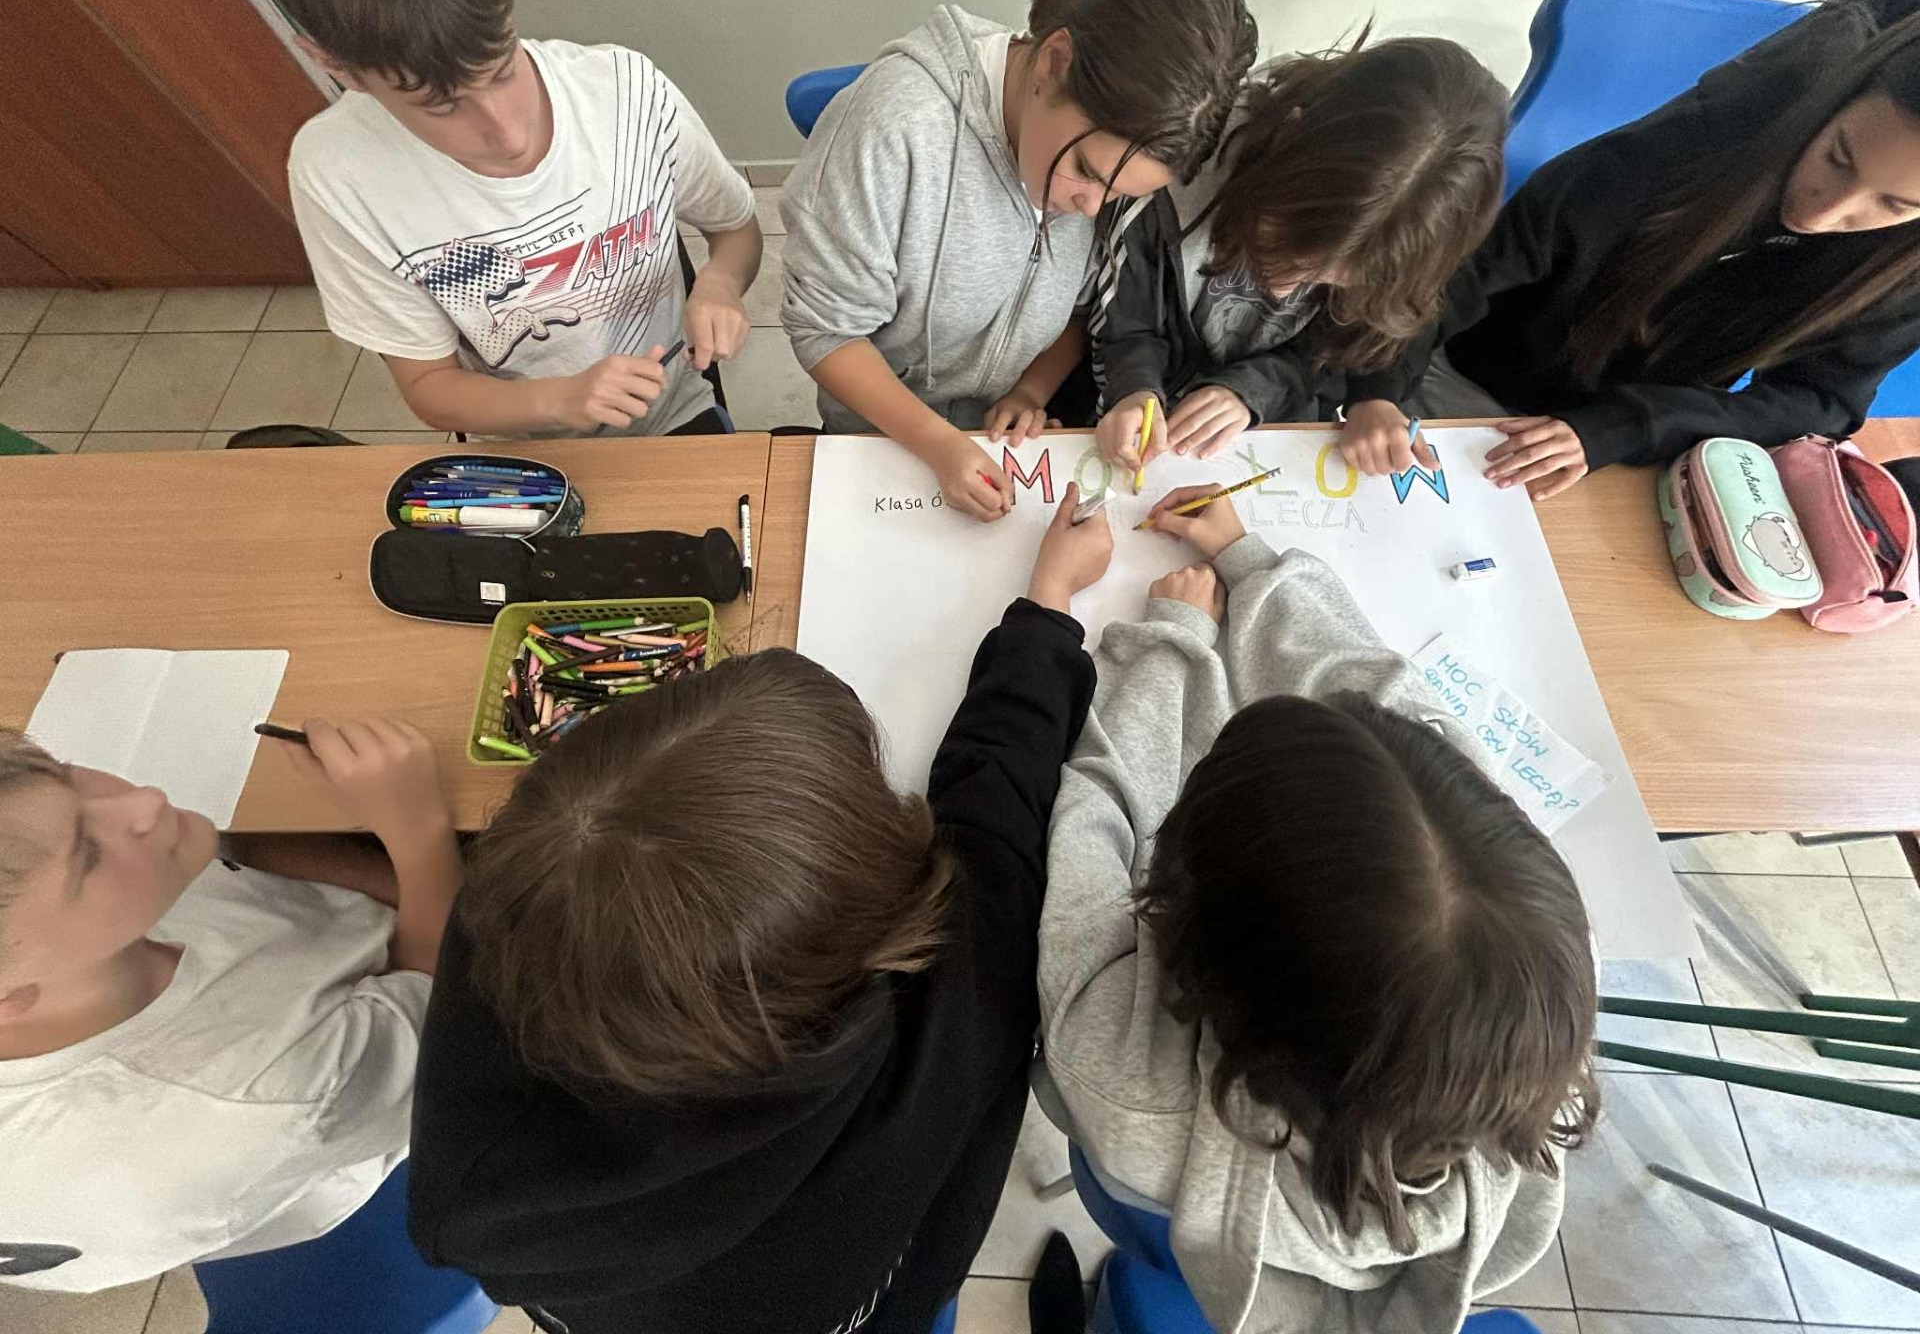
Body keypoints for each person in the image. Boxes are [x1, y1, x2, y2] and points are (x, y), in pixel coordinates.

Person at [406, 490, 1114, 1333]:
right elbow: (999, 811)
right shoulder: (952, 1009)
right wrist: (1047, 613)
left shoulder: (502, 970)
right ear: (878, 929)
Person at [1037, 488, 1597, 1334]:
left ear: (1186, 926)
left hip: (1159, 1221)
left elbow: (1096, 809)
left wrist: (1172, 642)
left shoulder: (1115, 1057)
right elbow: (1390, 707)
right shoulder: (1534, 986)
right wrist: (1253, 564)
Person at [222, 0, 762, 439]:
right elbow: (429, 385)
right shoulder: (336, 173)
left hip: (675, 406)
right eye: (442, 106)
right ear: (334, 65)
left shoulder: (627, 92)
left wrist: (719, 283)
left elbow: (735, 229)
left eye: (503, 69)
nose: (508, 133)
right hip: (522, 442)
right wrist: (560, 400)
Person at [781, 0, 1256, 519]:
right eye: (1085, 171)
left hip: (994, 433)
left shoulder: (1105, 159)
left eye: (1119, 196)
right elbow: (826, 332)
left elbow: (1084, 310)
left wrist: (1031, 390)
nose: (1090, 209)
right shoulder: (895, 129)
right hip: (880, 439)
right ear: (1053, 63)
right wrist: (939, 445)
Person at [1386, 0, 1920, 500]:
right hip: (1482, 371)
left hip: (1637, 443)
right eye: (1837, 158)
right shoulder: (1708, 134)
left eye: (1894, 205)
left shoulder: (1903, 267)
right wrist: (1380, 386)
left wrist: (1629, 426)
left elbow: (1821, 400)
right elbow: (1479, 267)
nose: (1821, 215)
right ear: (1833, 104)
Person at [0, 720, 462, 1291]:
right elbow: (436, 993)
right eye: (88, 855)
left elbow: (237, 860)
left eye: (65, 774)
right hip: (382, 1087)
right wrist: (418, 832)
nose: (146, 800)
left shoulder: (57, 929)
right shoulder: (262, 1093)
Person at [1082, 36, 1507, 480]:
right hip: (1133, 411)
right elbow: (1125, 324)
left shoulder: (1398, 246)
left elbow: (1325, 360)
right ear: (1285, 148)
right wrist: (1134, 388)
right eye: (1285, 250)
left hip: (1266, 429)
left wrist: (1249, 391)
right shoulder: (1169, 176)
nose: (1283, 290)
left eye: (1328, 278)